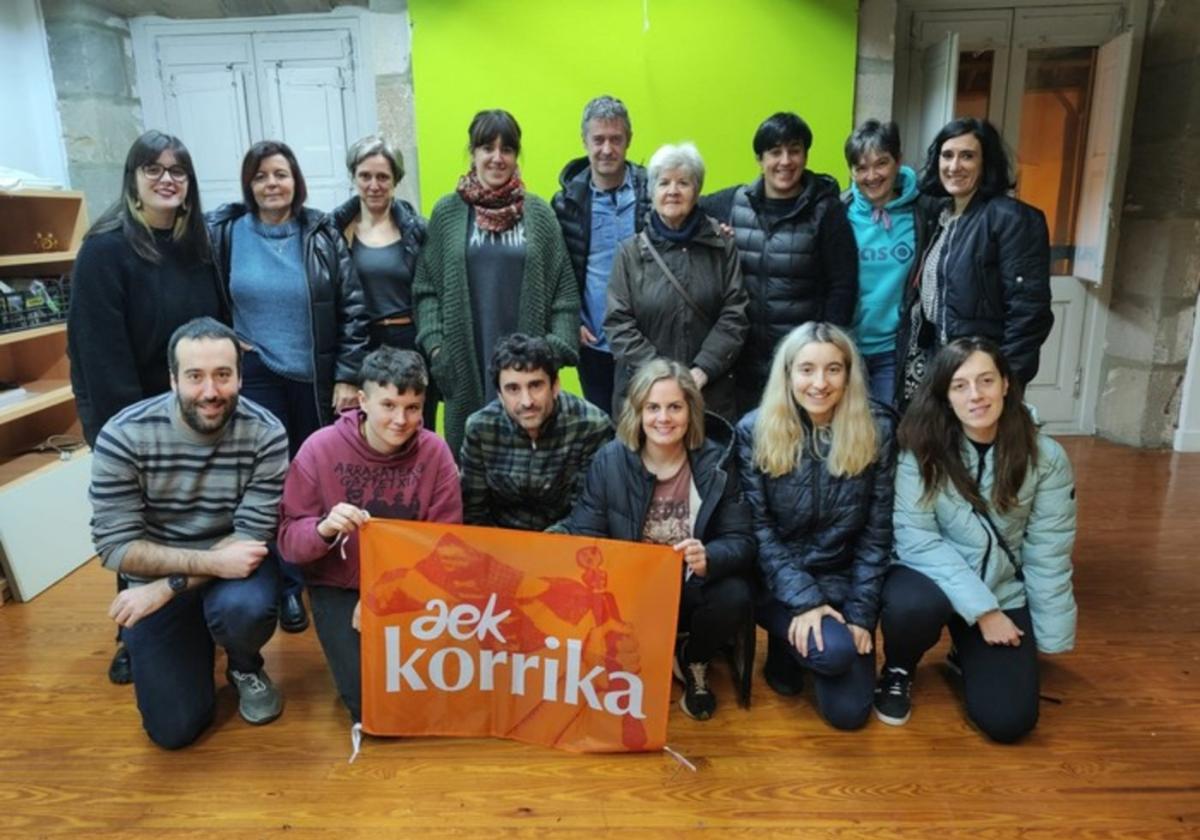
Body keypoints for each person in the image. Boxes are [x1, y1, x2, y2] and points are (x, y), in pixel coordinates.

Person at [67, 130, 228, 686]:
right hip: (132, 420)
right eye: (154, 169)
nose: (167, 179)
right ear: (133, 178)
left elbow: (216, 331)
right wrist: (131, 436)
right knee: (139, 526)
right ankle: (133, 635)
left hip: (199, 415)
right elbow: (98, 355)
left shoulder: (197, 244)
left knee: (195, 519)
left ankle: (194, 620)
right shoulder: (105, 249)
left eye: (177, 170)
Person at [91, 317, 289, 749]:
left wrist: (171, 585)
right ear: (172, 379)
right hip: (170, 572)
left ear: (240, 374)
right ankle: (193, 639)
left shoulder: (267, 433)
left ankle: (243, 663)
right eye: (195, 376)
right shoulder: (123, 435)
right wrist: (191, 573)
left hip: (232, 571)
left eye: (223, 375)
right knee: (174, 730)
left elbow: (251, 538)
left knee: (244, 610)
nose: (211, 392)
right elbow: (115, 547)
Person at [875, 338, 1077, 742]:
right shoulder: (921, 449)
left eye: (986, 381)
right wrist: (984, 612)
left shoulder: (1046, 457)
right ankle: (898, 667)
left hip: (1000, 587)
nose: (975, 395)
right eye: (960, 385)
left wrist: (1049, 636)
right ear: (945, 395)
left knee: (1009, 722)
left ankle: (962, 654)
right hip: (928, 579)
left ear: (1005, 384)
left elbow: (1048, 549)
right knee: (910, 605)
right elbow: (917, 541)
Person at [208, 139, 369, 634]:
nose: (271, 184)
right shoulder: (226, 233)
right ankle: (286, 586)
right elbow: (209, 301)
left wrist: (347, 373)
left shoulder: (320, 232)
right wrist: (231, 349)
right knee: (268, 482)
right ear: (248, 185)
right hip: (258, 376)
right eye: (260, 176)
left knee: (314, 480)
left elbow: (354, 307)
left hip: (317, 378)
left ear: (296, 180)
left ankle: (315, 571)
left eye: (280, 174)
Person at [557, 359, 754, 721]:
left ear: (691, 410)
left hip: (691, 584)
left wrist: (710, 555)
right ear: (638, 411)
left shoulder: (716, 462)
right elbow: (586, 534)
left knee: (736, 592)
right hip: (630, 588)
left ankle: (693, 658)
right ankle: (646, 657)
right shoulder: (610, 460)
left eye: (675, 407)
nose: (664, 418)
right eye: (653, 407)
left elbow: (741, 538)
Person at [278, 346, 462, 723]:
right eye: (389, 405)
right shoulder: (319, 449)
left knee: (434, 695)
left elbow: (446, 543)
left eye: (413, 408)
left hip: (413, 585)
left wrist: (383, 595)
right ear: (362, 400)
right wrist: (323, 529)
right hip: (340, 585)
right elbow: (288, 543)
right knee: (371, 707)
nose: (401, 419)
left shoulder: (436, 452)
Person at [735, 323, 896, 730]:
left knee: (849, 716)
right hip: (778, 581)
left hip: (843, 579)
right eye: (806, 369)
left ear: (849, 374)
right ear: (788, 375)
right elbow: (759, 530)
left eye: (833, 369)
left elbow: (877, 534)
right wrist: (804, 600)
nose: (819, 383)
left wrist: (861, 615)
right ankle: (788, 639)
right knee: (835, 654)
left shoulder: (877, 430)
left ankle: (797, 647)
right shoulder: (753, 431)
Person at [413, 109, 580, 458]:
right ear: (472, 153)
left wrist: (554, 348)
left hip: (527, 374)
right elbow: (426, 287)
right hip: (465, 363)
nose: (496, 158)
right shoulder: (448, 213)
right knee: (472, 470)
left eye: (507, 149)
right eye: (487, 147)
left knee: (532, 463)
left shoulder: (539, 214)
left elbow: (564, 289)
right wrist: (438, 349)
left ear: (516, 156)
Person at [701, 113, 858, 416]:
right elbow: (683, 209)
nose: (785, 161)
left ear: (805, 155)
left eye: (794, 150)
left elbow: (843, 286)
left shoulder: (827, 211)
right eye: (775, 152)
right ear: (760, 159)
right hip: (742, 363)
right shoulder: (733, 203)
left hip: (802, 365)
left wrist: (824, 353)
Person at [899, 117, 1052, 404]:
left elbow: (1029, 313)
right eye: (947, 155)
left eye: (967, 156)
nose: (954, 166)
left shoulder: (1011, 219)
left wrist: (1006, 380)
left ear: (986, 163)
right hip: (943, 362)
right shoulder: (942, 217)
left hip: (983, 373)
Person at [605, 142, 748, 421]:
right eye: (664, 183)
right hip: (644, 394)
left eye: (683, 182)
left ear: (696, 191)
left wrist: (702, 370)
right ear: (652, 192)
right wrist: (662, 376)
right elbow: (618, 322)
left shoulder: (721, 245)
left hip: (708, 393)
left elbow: (736, 314)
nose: (673, 191)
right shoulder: (630, 252)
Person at [329, 134, 437, 432]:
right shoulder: (333, 232)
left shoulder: (418, 231)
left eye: (382, 177)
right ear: (353, 177)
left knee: (414, 431)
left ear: (395, 180)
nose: (373, 185)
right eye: (365, 176)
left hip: (411, 344)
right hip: (361, 346)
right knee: (366, 435)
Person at [552, 95, 651, 416]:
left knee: (650, 424)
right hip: (594, 340)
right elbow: (560, 269)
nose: (607, 149)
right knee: (602, 427)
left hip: (648, 338)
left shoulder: (653, 192)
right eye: (598, 140)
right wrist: (573, 321)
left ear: (629, 141)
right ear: (585, 141)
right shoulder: (566, 203)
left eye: (615, 139)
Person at [460, 333, 613, 531]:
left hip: (567, 544)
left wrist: (539, 550)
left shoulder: (591, 425)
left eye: (535, 385)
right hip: (500, 544)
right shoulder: (481, 428)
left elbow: (589, 511)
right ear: (500, 394)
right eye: (513, 389)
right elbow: (473, 512)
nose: (527, 401)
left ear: (555, 385)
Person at [842, 120, 930, 406]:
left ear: (898, 162)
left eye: (881, 163)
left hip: (895, 351)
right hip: (845, 350)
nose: (872, 176)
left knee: (888, 430)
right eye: (861, 168)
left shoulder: (923, 214)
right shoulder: (838, 213)